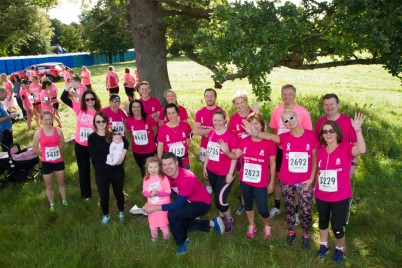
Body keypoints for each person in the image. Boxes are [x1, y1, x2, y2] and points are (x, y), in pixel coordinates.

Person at [245, 109, 317, 248]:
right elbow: (271, 137)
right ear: (284, 124)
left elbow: (315, 159)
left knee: (306, 209)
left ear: (297, 116)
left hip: (305, 181)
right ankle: (291, 232)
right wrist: (256, 133)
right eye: (285, 121)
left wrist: (312, 178)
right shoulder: (284, 137)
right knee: (289, 208)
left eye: (291, 117)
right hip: (287, 180)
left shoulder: (310, 135)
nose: (289, 121)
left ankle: (306, 234)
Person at [143, 152, 225, 255]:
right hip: (187, 200)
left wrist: (155, 208)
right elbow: (157, 190)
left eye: (170, 163)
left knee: (173, 215)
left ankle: (182, 242)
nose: (168, 167)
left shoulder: (186, 178)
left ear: (176, 163)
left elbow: (178, 205)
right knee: (181, 224)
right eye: (164, 165)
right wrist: (149, 201)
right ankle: (212, 223)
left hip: (201, 203)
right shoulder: (166, 176)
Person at [315, 115, 366, 263]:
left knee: (337, 227)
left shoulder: (346, 148)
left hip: (340, 196)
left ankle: (339, 249)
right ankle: (323, 246)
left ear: (337, 133)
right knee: (323, 222)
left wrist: (357, 130)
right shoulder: (320, 151)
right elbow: (318, 172)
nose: (328, 134)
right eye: (325, 131)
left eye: (331, 131)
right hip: (322, 195)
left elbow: (361, 149)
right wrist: (313, 191)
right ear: (322, 135)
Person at [268, 84, 313, 223]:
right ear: (281, 95)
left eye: (290, 94)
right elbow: (274, 130)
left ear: (294, 95)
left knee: (297, 180)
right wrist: (280, 144)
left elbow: (308, 133)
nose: (287, 97)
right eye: (284, 94)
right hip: (280, 149)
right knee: (276, 178)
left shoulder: (303, 112)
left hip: (297, 152)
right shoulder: (276, 111)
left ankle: (298, 210)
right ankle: (277, 207)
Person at [231, 112, 276, 239]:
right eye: (251, 123)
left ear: (262, 126)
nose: (254, 126)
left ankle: (267, 225)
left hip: (261, 182)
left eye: (256, 123)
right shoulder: (244, 141)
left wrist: (271, 182)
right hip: (245, 180)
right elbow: (235, 156)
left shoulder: (269, 143)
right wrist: (226, 151)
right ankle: (252, 225)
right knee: (248, 205)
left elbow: (272, 164)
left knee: (263, 209)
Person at [61, 88, 101, 200]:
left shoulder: (99, 112)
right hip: (80, 145)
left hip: (94, 145)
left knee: (98, 169)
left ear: (95, 100)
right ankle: (86, 194)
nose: (89, 101)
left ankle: (102, 190)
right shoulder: (79, 108)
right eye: (87, 99)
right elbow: (64, 98)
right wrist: (70, 85)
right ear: (84, 100)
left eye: (92, 99)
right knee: (83, 170)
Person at [89, 112, 128, 224]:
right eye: (98, 121)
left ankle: (121, 212)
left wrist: (121, 157)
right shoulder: (92, 137)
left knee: (118, 192)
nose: (101, 123)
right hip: (102, 172)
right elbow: (94, 156)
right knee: (104, 195)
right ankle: (106, 215)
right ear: (95, 123)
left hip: (117, 170)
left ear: (107, 122)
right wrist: (110, 162)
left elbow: (126, 143)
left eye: (103, 121)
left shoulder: (113, 134)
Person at [203, 109, 238, 232]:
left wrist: (230, 174)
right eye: (214, 120)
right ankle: (222, 216)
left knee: (220, 201)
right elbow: (208, 150)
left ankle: (229, 219)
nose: (216, 123)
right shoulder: (212, 133)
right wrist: (205, 166)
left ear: (225, 121)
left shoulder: (231, 136)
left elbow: (234, 156)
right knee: (217, 195)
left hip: (225, 172)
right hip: (212, 170)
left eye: (219, 120)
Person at [228, 90, 259, 215]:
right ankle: (243, 203)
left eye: (242, 102)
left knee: (255, 176)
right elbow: (231, 136)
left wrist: (258, 113)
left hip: (255, 151)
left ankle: (257, 198)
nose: (240, 106)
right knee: (243, 179)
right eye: (237, 104)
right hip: (241, 154)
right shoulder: (234, 118)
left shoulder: (253, 114)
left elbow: (263, 128)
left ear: (246, 102)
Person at [32, 111, 67, 212]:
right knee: (49, 185)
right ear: (41, 120)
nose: (48, 121)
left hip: (58, 160)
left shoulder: (58, 131)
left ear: (52, 119)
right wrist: (44, 155)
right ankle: (52, 204)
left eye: (50, 119)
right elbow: (34, 148)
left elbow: (61, 144)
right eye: (45, 119)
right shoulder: (38, 133)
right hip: (46, 162)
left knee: (61, 182)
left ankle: (65, 201)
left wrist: (56, 152)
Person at [315, 93, 358, 173]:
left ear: (338, 105)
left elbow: (356, 144)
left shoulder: (348, 121)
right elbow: (317, 144)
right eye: (326, 104)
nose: (329, 107)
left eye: (332, 104)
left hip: (343, 163)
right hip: (325, 164)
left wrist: (353, 164)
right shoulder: (320, 122)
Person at [193, 88, 224, 194]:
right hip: (204, 145)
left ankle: (218, 184)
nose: (209, 98)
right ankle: (208, 185)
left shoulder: (221, 111)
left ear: (215, 97)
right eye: (207, 96)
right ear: (204, 97)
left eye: (212, 96)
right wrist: (212, 130)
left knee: (217, 164)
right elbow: (196, 131)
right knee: (205, 165)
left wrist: (205, 132)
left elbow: (223, 130)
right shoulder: (200, 112)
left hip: (218, 145)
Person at [125, 99, 157, 177]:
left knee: (148, 169)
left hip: (149, 150)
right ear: (131, 108)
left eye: (138, 107)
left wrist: (149, 140)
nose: (136, 109)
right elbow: (130, 132)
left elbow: (155, 131)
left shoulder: (148, 118)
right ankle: (147, 185)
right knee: (142, 168)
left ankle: (149, 186)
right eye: (134, 107)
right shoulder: (128, 120)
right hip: (137, 151)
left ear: (141, 108)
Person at [142, 156, 171, 241]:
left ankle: (167, 239)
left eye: (155, 167)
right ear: (147, 168)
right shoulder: (146, 179)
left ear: (160, 167)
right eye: (150, 167)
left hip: (162, 206)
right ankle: (154, 238)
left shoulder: (163, 178)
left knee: (163, 224)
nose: (153, 169)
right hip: (152, 206)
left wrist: (158, 193)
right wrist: (151, 194)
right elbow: (144, 192)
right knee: (153, 224)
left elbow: (168, 191)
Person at [157, 103, 192, 169]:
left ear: (177, 113)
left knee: (186, 178)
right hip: (169, 162)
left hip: (184, 160)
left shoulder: (185, 125)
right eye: (169, 113)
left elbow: (190, 135)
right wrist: (160, 162)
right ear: (166, 115)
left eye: (173, 113)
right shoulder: (162, 128)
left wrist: (185, 145)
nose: (172, 115)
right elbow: (160, 147)